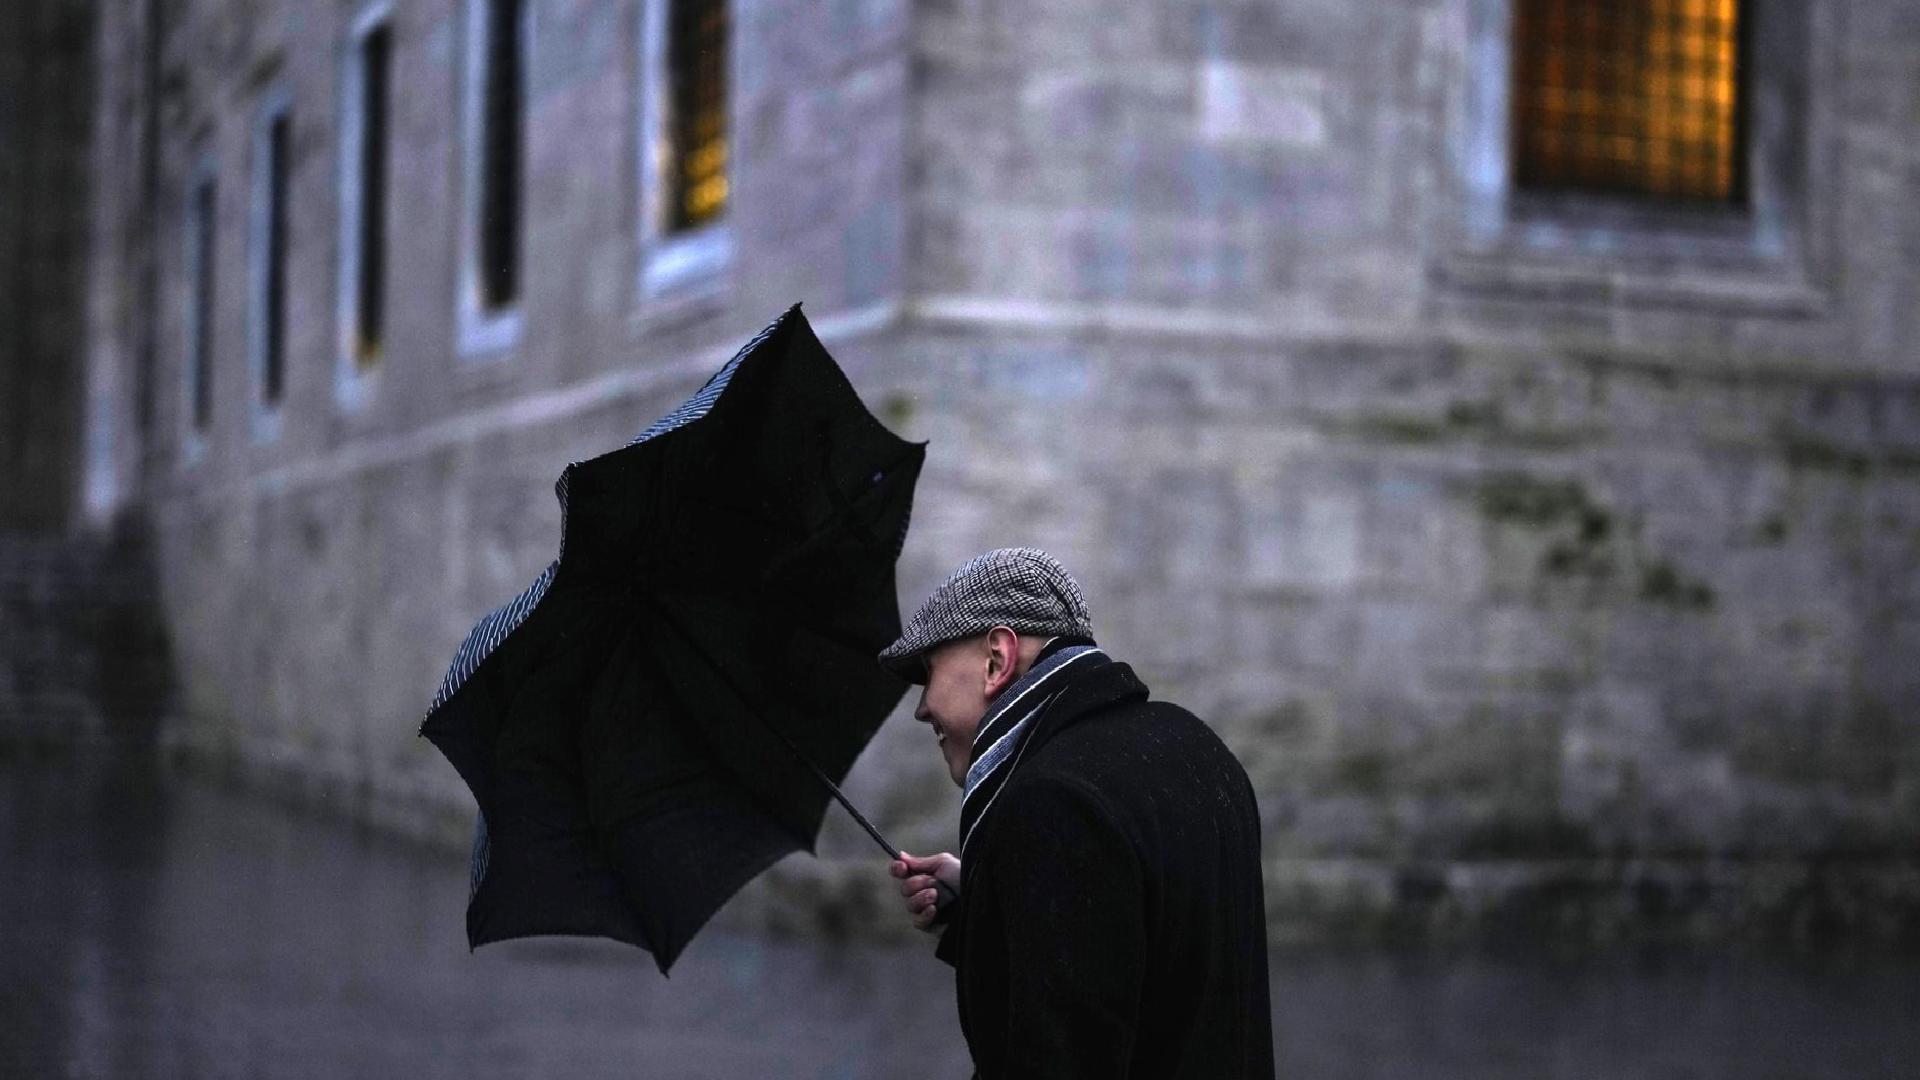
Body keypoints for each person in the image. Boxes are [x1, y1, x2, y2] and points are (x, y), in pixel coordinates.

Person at [879, 547, 1274, 1079]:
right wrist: (991, 900)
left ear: (997, 659)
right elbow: (1156, 959)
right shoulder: (1196, 748)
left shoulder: (1051, 802)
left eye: (929, 671)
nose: (922, 706)